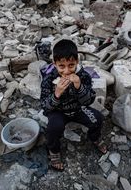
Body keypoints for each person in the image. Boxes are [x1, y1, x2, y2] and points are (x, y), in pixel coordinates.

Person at [40, 39, 107, 171]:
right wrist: (57, 94)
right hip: (57, 111)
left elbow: (89, 101)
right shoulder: (49, 79)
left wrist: (79, 86)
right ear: (54, 64)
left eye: (71, 65)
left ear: (77, 62)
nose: (66, 71)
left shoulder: (83, 76)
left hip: (78, 109)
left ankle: (94, 138)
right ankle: (53, 151)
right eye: (61, 66)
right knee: (53, 128)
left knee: (97, 118)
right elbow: (44, 106)